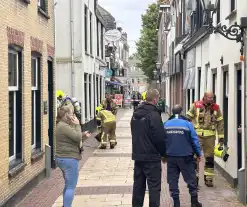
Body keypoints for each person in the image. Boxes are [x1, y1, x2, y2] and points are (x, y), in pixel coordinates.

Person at [131, 89, 166, 207]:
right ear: (155, 99)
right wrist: (163, 154)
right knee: (154, 188)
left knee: (138, 187)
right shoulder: (154, 115)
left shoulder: (135, 114)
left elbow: (134, 133)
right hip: (152, 158)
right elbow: (160, 138)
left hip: (138, 156)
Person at [164, 105, 202, 207]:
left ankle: (176, 203)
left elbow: (162, 141)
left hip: (171, 156)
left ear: (172, 112)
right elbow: (194, 140)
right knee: (191, 179)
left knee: (172, 180)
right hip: (186, 156)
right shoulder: (187, 124)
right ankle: (194, 202)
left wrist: (163, 155)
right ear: (182, 112)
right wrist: (198, 154)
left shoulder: (166, 124)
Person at [186, 91, 224, 187]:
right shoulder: (196, 105)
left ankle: (209, 179)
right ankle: (194, 178)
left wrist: (221, 137)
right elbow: (187, 118)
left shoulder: (216, 108)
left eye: (212, 98)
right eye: (209, 98)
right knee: (195, 157)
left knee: (209, 158)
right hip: (197, 136)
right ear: (204, 97)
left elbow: (220, 123)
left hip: (210, 137)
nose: (211, 99)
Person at [55, 105, 91, 207]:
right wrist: (78, 125)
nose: (73, 115)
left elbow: (74, 139)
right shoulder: (63, 126)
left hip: (63, 158)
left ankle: (65, 205)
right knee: (71, 186)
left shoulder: (63, 125)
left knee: (68, 184)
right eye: (71, 113)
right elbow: (77, 136)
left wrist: (83, 135)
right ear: (66, 115)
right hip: (68, 159)